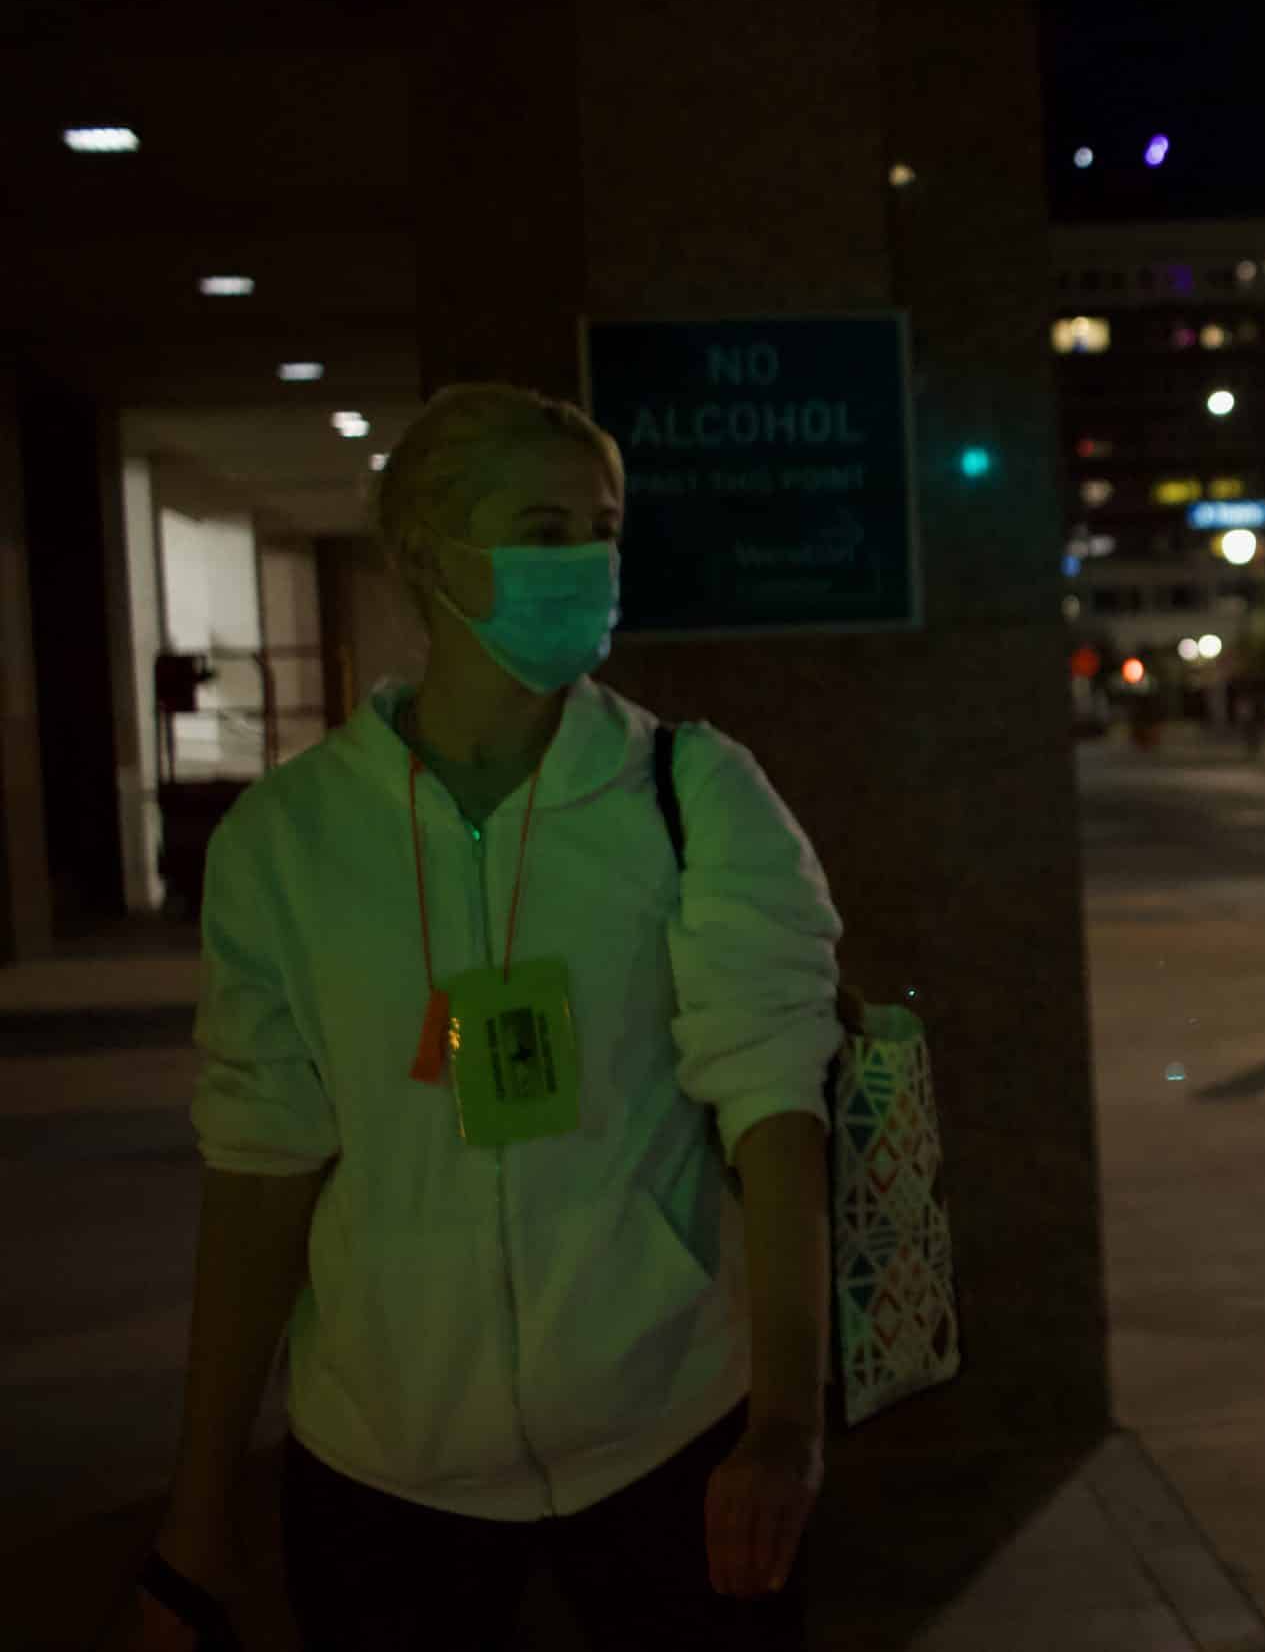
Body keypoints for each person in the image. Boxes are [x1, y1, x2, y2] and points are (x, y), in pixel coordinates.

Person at [106, 384, 845, 1651]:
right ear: (428, 558)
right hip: (383, 1466)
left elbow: (777, 1116)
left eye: (601, 530)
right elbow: (260, 1173)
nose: (585, 565)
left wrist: (783, 1422)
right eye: (542, 531)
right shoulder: (290, 840)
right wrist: (199, 1511)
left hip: (667, 1435)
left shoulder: (692, 795)